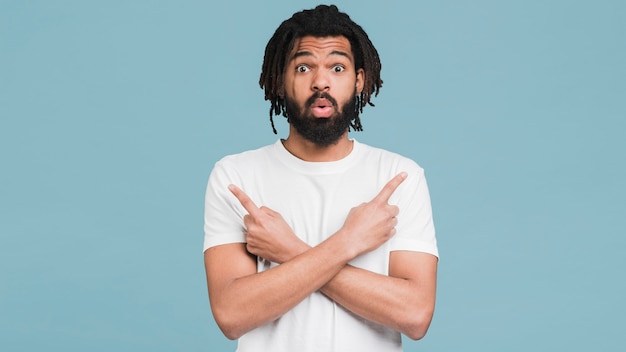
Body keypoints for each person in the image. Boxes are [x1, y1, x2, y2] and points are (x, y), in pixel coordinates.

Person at [203, 5, 438, 351]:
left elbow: (416, 314)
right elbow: (231, 314)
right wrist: (348, 242)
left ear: (359, 80)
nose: (321, 81)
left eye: (337, 67)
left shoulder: (399, 177)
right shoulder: (236, 176)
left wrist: (289, 251)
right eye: (303, 67)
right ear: (280, 81)